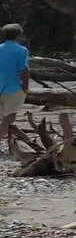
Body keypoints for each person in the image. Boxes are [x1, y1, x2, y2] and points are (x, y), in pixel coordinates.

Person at [0, 23, 30, 152]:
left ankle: (10, 144)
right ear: (19, 35)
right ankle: (8, 142)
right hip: (13, 88)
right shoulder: (21, 50)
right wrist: (25, 87)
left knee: (4, 118)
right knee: (9, 118)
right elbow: (24, 70)